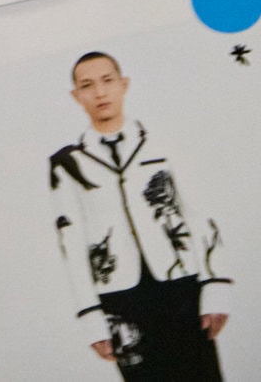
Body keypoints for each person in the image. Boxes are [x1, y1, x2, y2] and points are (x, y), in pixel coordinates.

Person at [50, 51, 230, 375]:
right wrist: (90, 314)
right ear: (76, 96)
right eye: (87, 85)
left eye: (107, 81)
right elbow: (71, 242)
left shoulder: (161, 143)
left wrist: (215, 284)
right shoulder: (67, 164)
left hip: (180, 286)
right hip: (120, 298)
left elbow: (198, 214)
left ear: (124, 84)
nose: (100, 92)